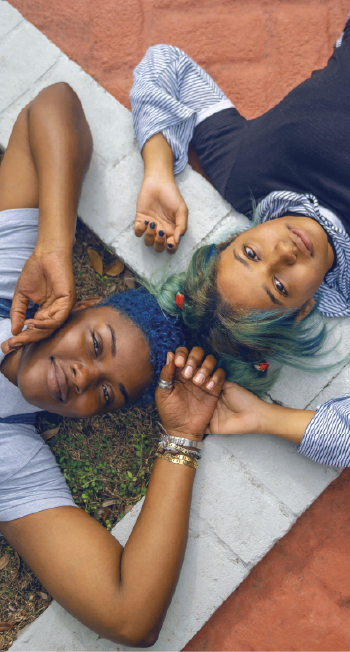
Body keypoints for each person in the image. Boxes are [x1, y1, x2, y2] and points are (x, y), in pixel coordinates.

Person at [0, 82, 226, 645]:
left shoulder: (12, 461)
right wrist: (53, 246)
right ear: (79, 309)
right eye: (95, 345)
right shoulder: (10, 283)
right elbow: (52, 107)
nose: (83, 376)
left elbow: (131, 614)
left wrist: (180, 439)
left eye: (103, 396)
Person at [130, 15, 350, 467]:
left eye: (251, 253)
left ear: (236, 237)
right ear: (303, 309)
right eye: (281, 287)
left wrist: (156, 169)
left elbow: (166, 65)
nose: (284, 252)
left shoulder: (244, 174)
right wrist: (267, 418)